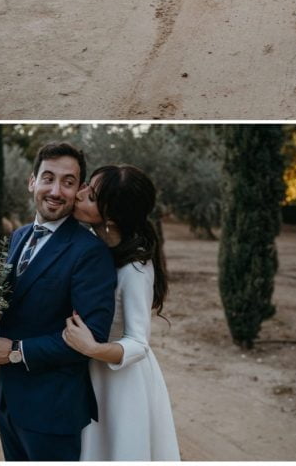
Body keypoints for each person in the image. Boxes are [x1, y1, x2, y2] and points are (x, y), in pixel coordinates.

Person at [0, 141, 117, 462]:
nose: (56, 190)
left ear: (78, 189)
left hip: (53, 412)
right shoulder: (20, 236)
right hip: (9, 400)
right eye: (48, 178)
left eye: (68, 182)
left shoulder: (89, 252)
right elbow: (11, 303)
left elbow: (92, 339)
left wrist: (13, 351)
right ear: (31, 181)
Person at [63, 164, 181, 461]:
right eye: (86, 187)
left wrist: (93, 348)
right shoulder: (89, 244)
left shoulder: (135, 269)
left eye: (90, 196)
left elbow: (138, 343)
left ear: (111, 217)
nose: (79, 194)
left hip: (119, 383)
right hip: (84, 371)